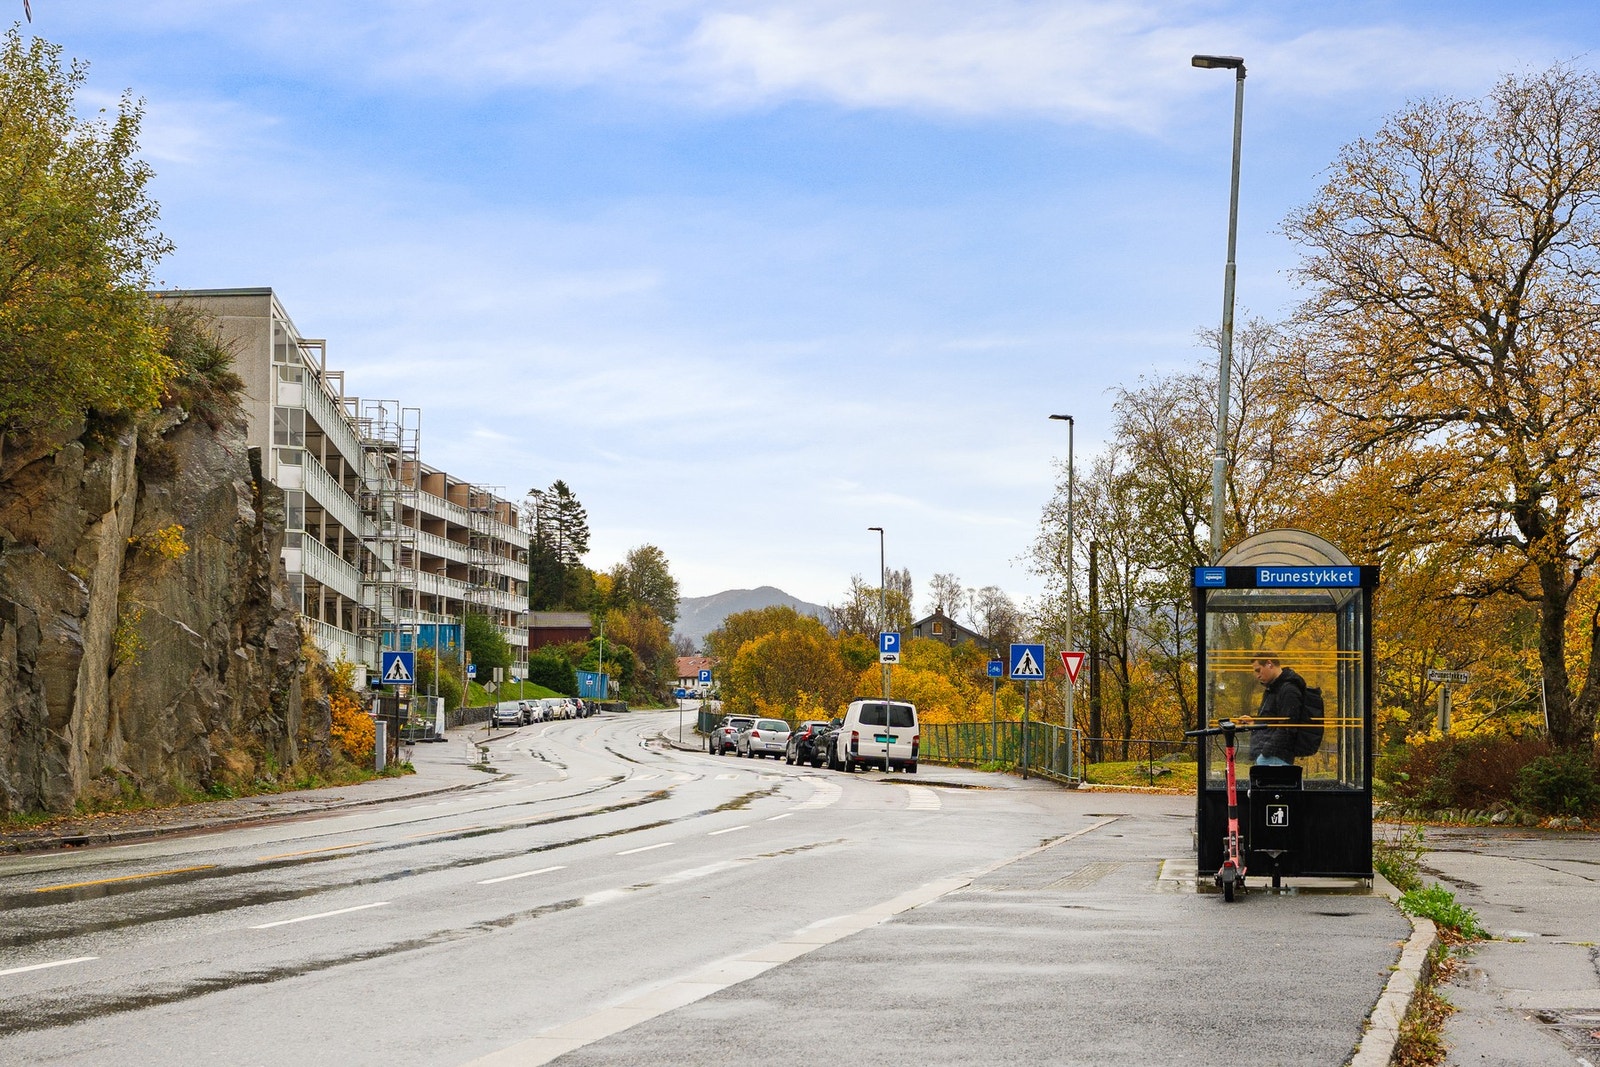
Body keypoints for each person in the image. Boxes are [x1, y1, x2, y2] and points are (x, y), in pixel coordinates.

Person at [1243, 655, 1309, 766]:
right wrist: (1255, 723)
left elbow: (1288, 727)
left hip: (1274, 756)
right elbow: (1274, 720)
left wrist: (1266, 752)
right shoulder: (1274, 688)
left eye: (1258, 670)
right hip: (1271, 754)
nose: (1257, 676)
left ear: (1269, 664)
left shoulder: (1288, 690)